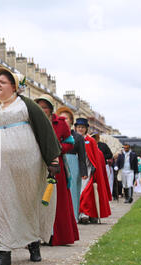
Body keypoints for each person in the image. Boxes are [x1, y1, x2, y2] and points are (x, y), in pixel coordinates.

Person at [0, 67, 61, 265]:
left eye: (3, 82)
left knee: (27, 202)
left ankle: (33, 244)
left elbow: (45, 130)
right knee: (0, 205)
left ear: (14, 87)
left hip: (27, 164)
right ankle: (4, 252)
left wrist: (53, 160)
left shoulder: (26, 105)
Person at [36, 95, 79, 246]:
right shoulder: (32, 122)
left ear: (50, 108)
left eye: (45, 107)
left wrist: (57, 149)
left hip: (55, 165)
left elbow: (70, 143)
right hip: (36, 165)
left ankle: (57, 235)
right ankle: (38, 235)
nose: (42, 110)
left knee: (57, 201)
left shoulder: (60, 123)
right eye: (39, 107)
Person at [75, 118, 112, 223]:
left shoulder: (90, 141)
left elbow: (95, 156)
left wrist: (94, 168)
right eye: (79, 127)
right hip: (75, 168)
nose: (80, 129)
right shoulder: (72, 139)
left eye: (82, 127)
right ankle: (76, 214)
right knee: (75, 192)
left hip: (87, 169)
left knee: (84, 192)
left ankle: (84, 214)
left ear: (86, 129)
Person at [56, 107, 88, 222]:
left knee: (74, 191)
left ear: (71, 121)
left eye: (66, 119)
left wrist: (83, 172)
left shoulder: (78, 137)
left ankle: (74, 217)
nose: (64, 121)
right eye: (61, 118)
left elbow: (82, 156)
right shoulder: (55, 133)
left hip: (73, 163)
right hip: (59, 163)